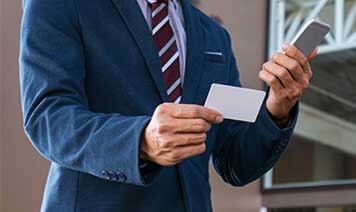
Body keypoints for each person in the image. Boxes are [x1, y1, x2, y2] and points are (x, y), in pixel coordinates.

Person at [19, 0, 316, 211]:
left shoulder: (213, 35)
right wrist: (141, 140)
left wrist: (277, 107)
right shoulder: (61, 4)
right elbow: (48, 116)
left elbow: (234, 162)